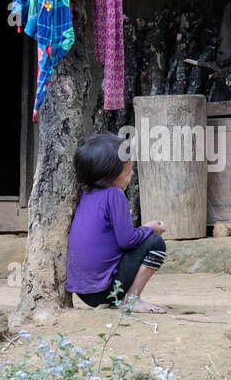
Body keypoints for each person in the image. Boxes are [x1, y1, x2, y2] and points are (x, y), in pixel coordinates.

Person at [66, 132, 166, 313]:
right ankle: (131, 299)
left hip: (84, 293)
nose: (132, 174)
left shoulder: (86, 193)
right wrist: (149, 228)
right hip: (105, 291)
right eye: (128, 171)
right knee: (155, 243)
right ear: (110, 174)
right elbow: (127, 241)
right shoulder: (114, 194)